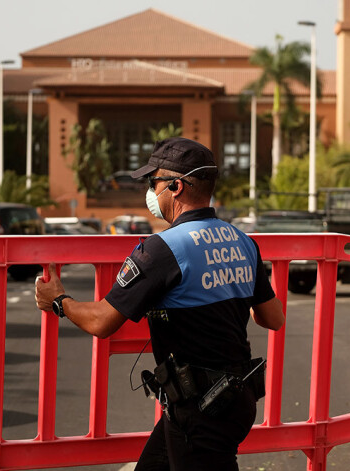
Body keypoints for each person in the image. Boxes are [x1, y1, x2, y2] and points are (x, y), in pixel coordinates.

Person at [35, 137, 285, 470]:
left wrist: (59, 301)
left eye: (155, 184)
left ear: (176, 187)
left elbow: (101, 321)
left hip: (202, 411)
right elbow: (273, 317)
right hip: (232, 399)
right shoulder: (242, 241)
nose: (151, 193)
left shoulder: (162, 250)